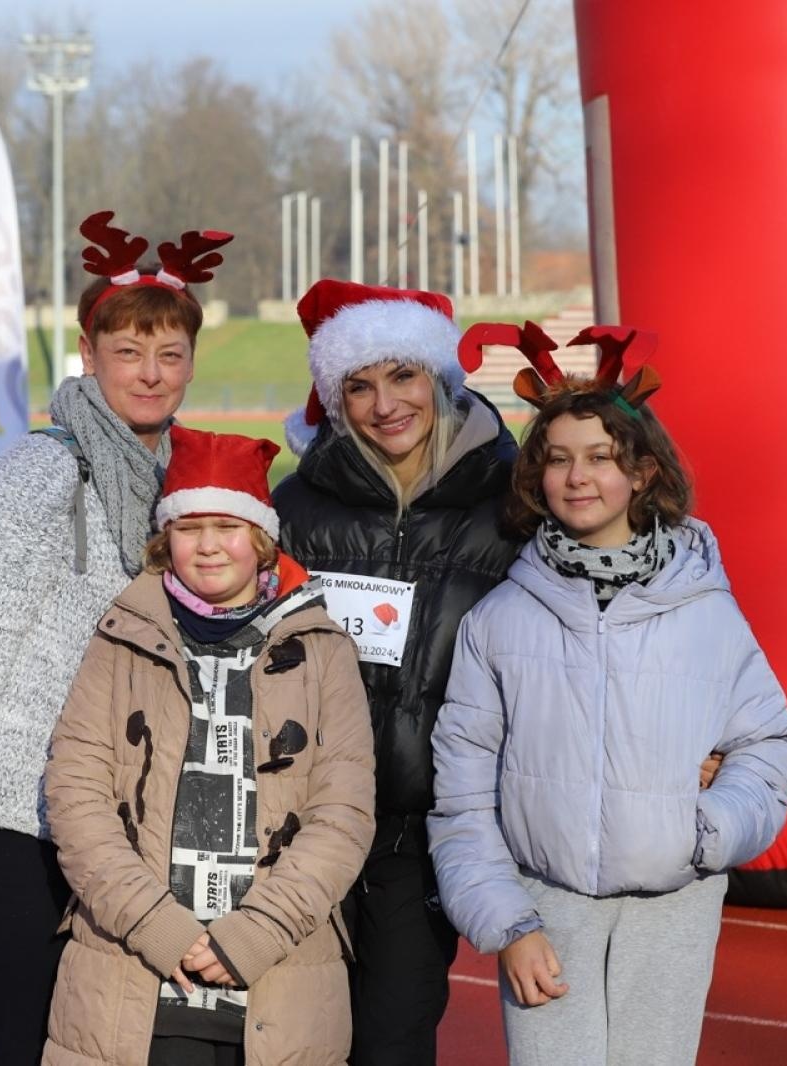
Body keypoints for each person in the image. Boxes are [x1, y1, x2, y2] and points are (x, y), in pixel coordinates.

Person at [0, 211, 232, 1065]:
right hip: (9, 808)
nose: (150, 373)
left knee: (107, 1033)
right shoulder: (38, 472)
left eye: (169, 354)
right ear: (90, 353)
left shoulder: (173, 479)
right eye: (128, 352)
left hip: (111, 809)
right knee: (32, 1031)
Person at [426, 339, 787, 1066]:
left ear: (641, 473)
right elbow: (462, 799)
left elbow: (771, 743)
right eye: (559, 458)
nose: (578, 477)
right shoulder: (499, 619)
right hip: (546, 910)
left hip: (673, 912)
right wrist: (508, 926)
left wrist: (711, 830)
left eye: (600, 456)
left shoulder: (706, 609)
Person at [43, 427, 374, 1066]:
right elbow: (76, 795)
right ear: (166, 542)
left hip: (277, 978)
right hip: (133, 975)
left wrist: (253, 935)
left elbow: (344, 814)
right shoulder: (119, 638)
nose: (210, 546)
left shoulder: (325, 649)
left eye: (228, 526)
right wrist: (158, 928)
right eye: (191, 529)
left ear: (261, 539)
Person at [271, 279, 522, 1066]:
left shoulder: (513, 506)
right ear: (333, 400)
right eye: (359, 384)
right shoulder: (293, 508)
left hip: (424, 827)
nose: (385, 404)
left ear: (441, 379)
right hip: (299, 823)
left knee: (391, 1039)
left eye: (402, 375)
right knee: (294, 1039)